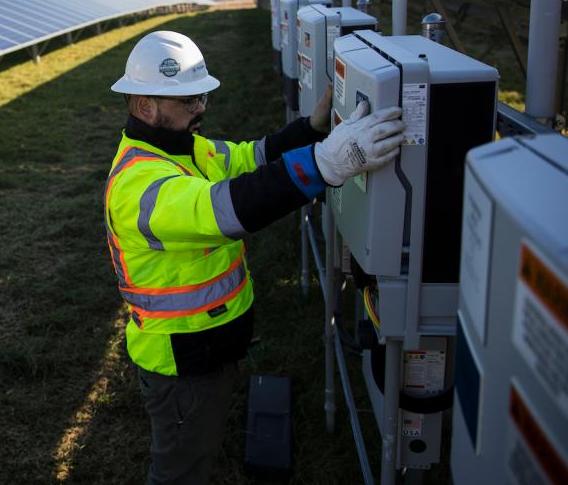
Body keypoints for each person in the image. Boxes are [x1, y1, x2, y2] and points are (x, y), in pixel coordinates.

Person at [104, 30, 404, 485]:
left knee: (196, 450)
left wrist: (311, 128)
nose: (201, 107)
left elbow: (250, 158)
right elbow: (230, 207)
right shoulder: (138, 186)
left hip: (205, 347)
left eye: (202, 95)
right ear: (146, 106)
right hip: (183, 361)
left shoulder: (185, 147)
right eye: (189, 100)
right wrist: (324, 164)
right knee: (180, 471)